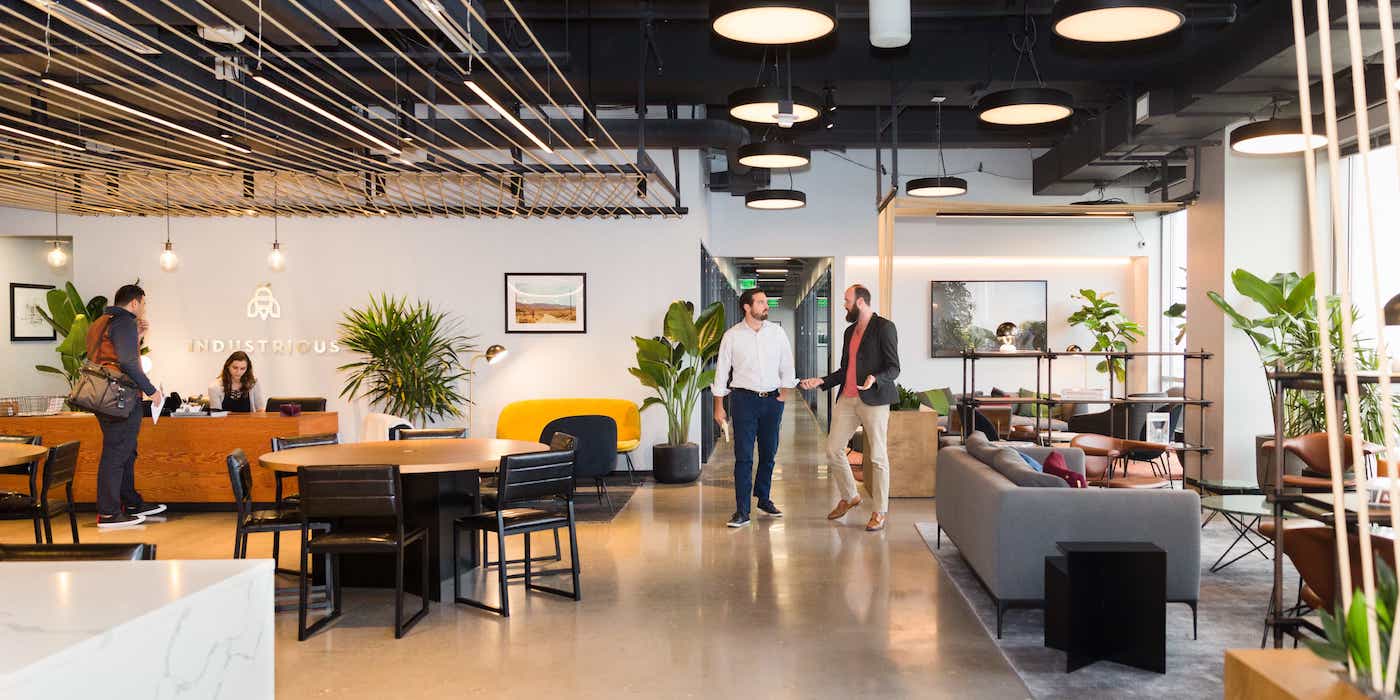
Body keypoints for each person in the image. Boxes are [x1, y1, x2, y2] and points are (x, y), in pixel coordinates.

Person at [800, 284, 900, 532]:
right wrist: (821, 381)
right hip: (847, 398)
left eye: (847, 300)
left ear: (860, 302)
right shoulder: (849, 332)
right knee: (833, 449)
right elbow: (845, 370)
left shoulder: (884, 327)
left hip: (874, 399)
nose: (844, 305)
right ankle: (850, 495)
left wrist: (875, 378)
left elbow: (894, 367)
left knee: (877, 457)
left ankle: (880, 511)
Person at [711, 289, 797, 529]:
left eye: (766, 302)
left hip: (772, 401)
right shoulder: (732, 336)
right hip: (743, 401)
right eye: (760, 302)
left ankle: (763, 499)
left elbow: (787, 364)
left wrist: (784, 394)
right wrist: (718, 407)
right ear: (747, 307)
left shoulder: (777, 333)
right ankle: (742, 511)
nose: (766, 306)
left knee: (769, 453)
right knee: (744, 456)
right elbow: (721, 372)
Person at [86, 283, 165, 529]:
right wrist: (152, 391)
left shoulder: (102, 321)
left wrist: (137, 338)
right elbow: (128, 363)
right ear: (134, 302)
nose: (143, 308)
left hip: (103, 395)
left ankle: (130, 502)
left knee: (125, 450)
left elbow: (109, 355)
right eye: (143, 303)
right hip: (119, 396)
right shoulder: (124, 322)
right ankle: (109, 513)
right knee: (117, 452)